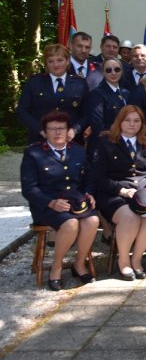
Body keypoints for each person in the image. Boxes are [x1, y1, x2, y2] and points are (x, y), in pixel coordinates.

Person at [21, 112, 99, 290]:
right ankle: (56, 267)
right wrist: (51, 203)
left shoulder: (78, 151)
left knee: (93, 220)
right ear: (45, 132)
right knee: (71, 224)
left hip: (75, 202)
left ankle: (79, 264)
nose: (57, 133)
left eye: (61, 128)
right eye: (52, 129)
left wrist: (89, 193)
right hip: (46, 205)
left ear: (68, 130)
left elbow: (88, 178)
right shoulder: (33, 153)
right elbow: (29, 189)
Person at [92, 105, 146, 280]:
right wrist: (121, 190)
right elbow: (98, 177)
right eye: (127, 120)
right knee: (129, 217)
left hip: (145, 192)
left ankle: (137, 259)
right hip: (115, 194)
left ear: (142, 123)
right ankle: (124, 262)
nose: (132, 124)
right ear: (119, 121)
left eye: (136, 121)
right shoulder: (106, 141)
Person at [17, 43, 89, 144]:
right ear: (46, 64)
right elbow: (22, 111)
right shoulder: (34, 82)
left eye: (60, 60)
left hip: (72, 141)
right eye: (51, 61)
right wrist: (40, 130)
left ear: (67, 61)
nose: (56, 65)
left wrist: (75, 130)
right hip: (40, 141)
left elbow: (87, 113)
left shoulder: (80, 83)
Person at [86, 57, 130, 153]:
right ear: (103, 72)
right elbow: (97, 125)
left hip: (124, 144)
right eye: (108, 70)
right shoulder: (97, 94)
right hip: (105, 146)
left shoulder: (126, 93)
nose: (113, 73)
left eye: (117, 69)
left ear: (122, 71)